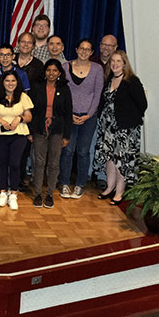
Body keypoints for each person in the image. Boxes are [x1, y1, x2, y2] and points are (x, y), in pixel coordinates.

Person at [94, 50, 147, 205]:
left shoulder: (132, 81)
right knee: (110, 159)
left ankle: (119, 191)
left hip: (125, 130)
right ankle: (109, 187)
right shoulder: (109, 79)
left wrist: (128, 119)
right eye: (113, 61)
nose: (115, 64)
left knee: (121, 161)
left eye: (118, 61)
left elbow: (142, 105)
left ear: (124, 63)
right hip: (108, 128)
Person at [58, 39, 105, 200]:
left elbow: (98, 94)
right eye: (81, 49)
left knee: (83, 152)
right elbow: (62, 93)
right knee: (68, 151)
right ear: (76, 50)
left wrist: (88, 115)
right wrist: (68, 113)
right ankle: (64, 183)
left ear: (92, 52)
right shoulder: (65, 67)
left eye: (88, 49)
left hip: (88, 118)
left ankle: (80, 184)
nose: (84, 52)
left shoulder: (98, 69)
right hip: (68, 117)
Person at [28, 59, 72, 208]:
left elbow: (68, 113)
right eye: (48, 70)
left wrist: (67, 136)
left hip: (57, 130)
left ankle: (50, 194)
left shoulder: (65, 89)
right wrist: (30, 131)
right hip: (39, 129)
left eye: (54, 71)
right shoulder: (37, 86)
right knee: (39, 163)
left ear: (59, 73)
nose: (51, 73)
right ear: (44, 72)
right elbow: (31, 110)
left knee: (53, 164)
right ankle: (38, 194)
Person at [0, 70, 34, 211]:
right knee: (2, 164)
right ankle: (3, 192)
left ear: (17, 82)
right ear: (2, 82)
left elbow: (29, 116)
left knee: (15, 163)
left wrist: (19, 118)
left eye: (13, 81)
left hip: (19, 135)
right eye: (7, 81)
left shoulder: (23, 97)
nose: (10, 84)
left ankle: (13, 194)